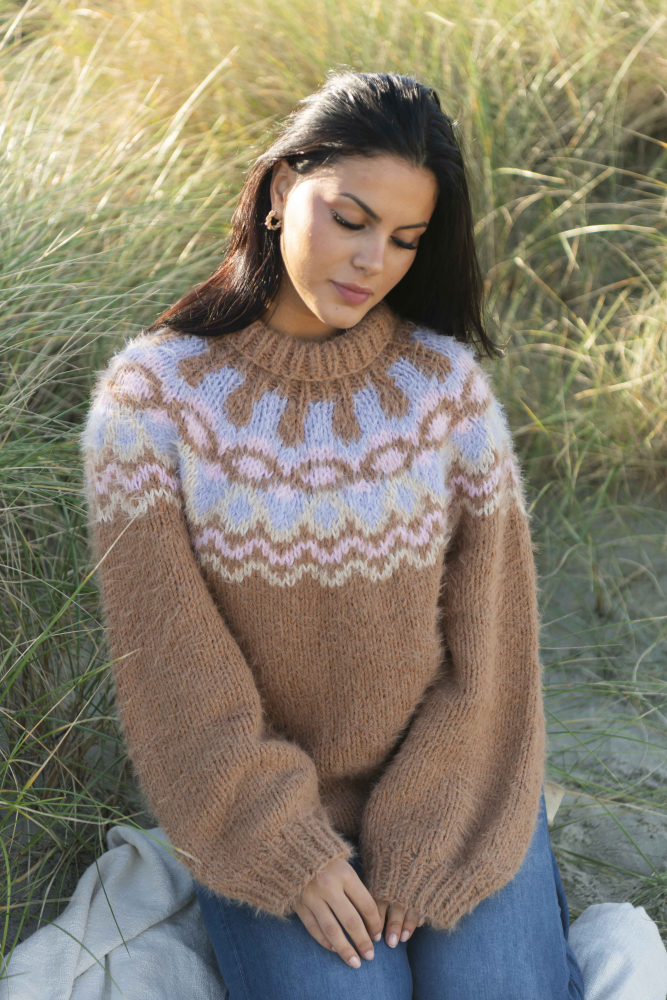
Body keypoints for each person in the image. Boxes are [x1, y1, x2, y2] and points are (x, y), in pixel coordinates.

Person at [80, 70, 585, 999]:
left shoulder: (445, 390)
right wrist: (289, 850)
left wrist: (425, 828)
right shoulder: (152, 400)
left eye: (404, 240)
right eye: (350, 219)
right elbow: (174, 671)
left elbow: (492, 653)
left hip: (458, 789)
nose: (371, 261)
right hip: (261, 815)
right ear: (281, 190)